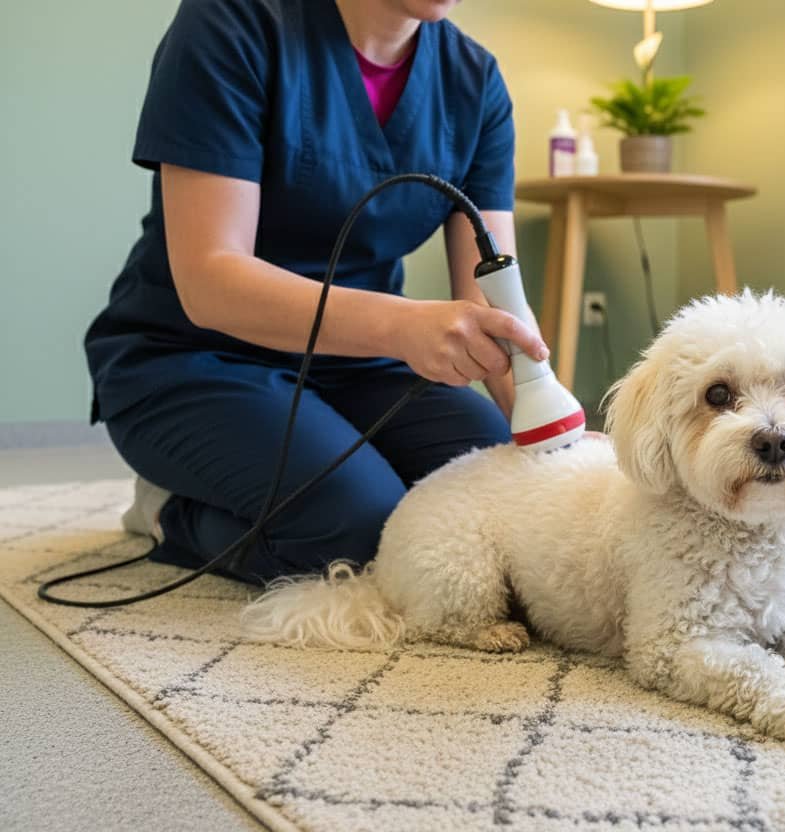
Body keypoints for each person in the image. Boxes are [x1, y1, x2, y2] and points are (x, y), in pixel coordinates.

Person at [83, 0, 547, 585]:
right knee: (356, 528)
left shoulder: (474, 81)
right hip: (194, 357)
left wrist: (549, 434)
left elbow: (494, 301)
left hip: (359, 365)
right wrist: (404, 326)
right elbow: (210, 281)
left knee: (501, 492)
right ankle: (170, 513)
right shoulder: (231, 21)